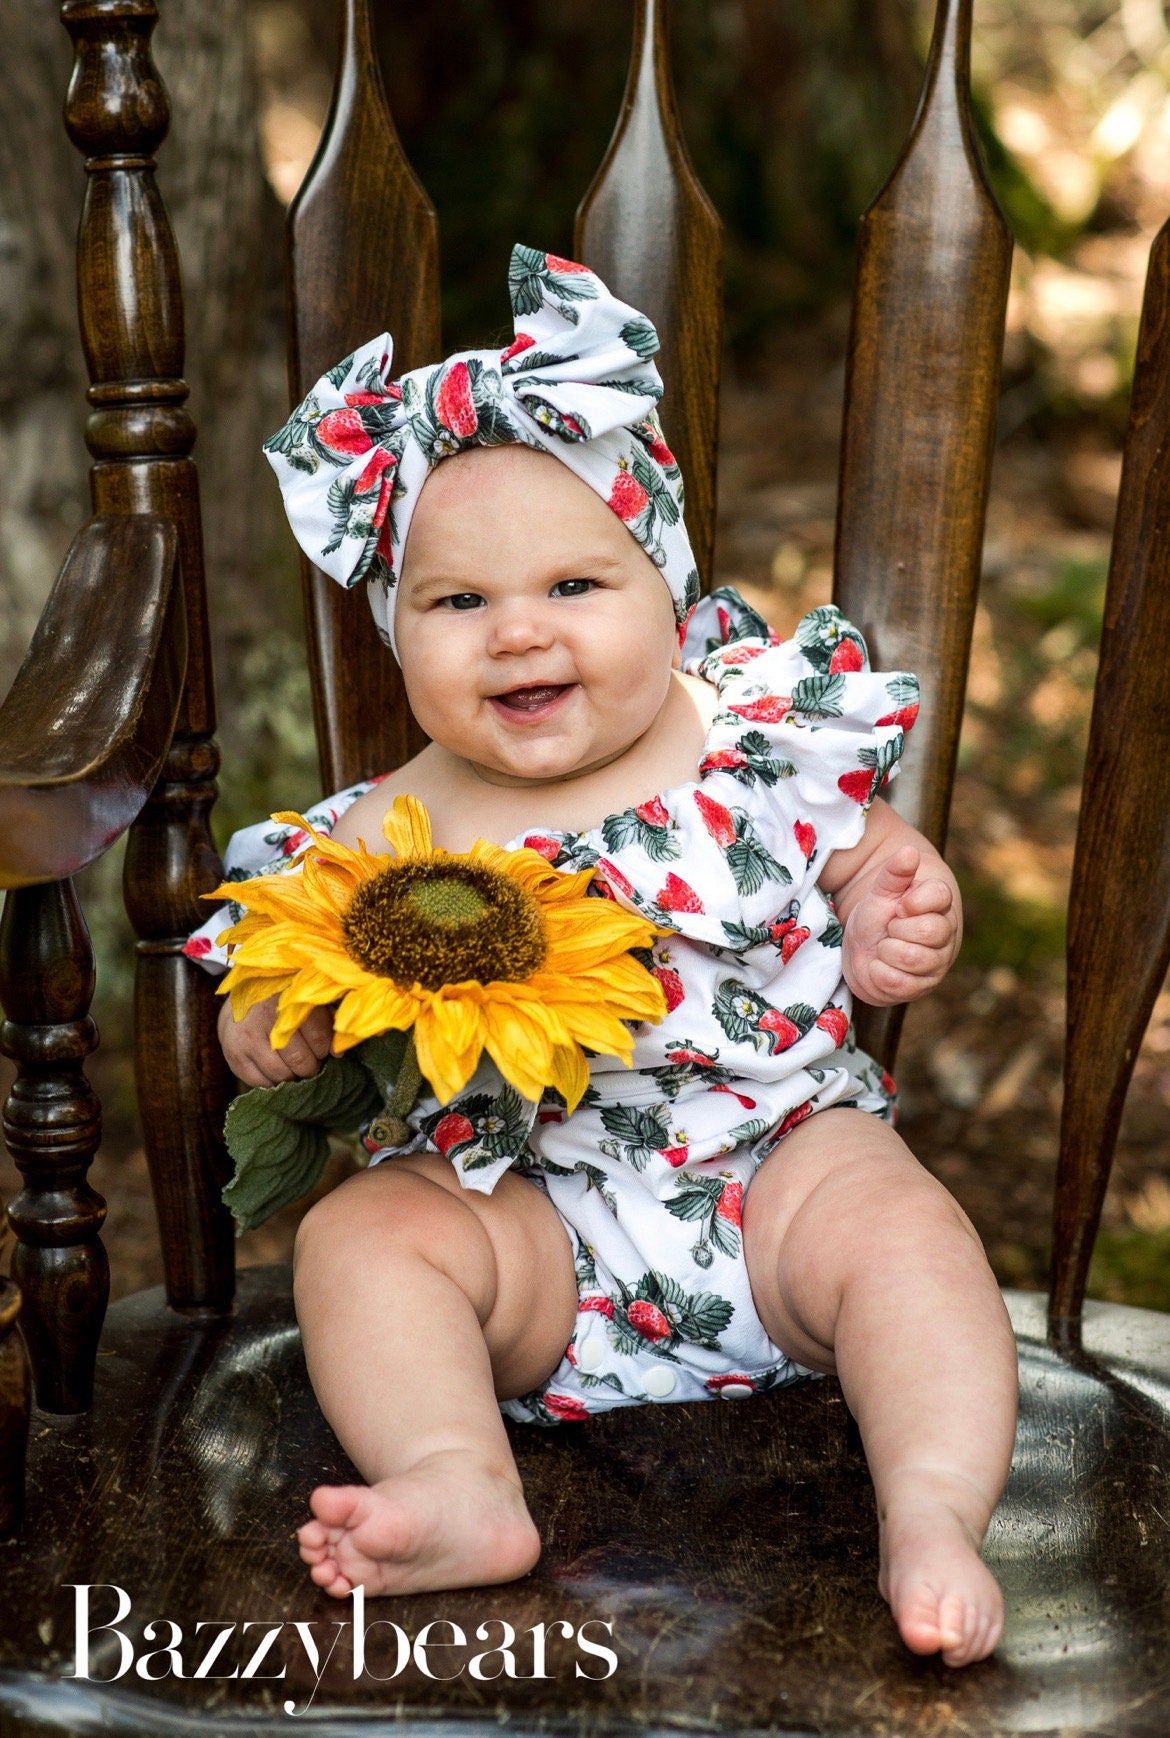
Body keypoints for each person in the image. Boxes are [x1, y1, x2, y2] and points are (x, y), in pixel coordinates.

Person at [184, 245, 1017, 1669]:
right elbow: (284, 955)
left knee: (907, 1238)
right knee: (360, 1233)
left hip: (771, 1178)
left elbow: (870, 848)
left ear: (666, 586)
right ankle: (457, 1476)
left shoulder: (747, 741)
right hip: (528, 1224)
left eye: (575, 582)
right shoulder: (387, 826)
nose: (519, 631)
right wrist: (267, 1017)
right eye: (455, 604)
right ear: (395, 627)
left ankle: (931, 1505)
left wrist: (897, 898)